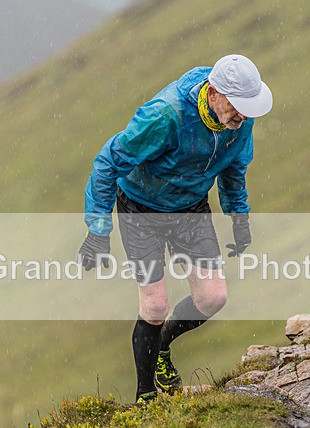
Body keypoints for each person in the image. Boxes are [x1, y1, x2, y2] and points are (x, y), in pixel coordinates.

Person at [78, 54, 273, 404]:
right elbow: (108, 162)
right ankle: (145, 397)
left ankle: (163, 347)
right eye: (236, 106)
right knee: (155, 305)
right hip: (141, 208)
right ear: (213, 94)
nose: (242, 115)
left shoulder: (240, 122)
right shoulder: (165, 115)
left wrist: (239, 219)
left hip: (190, 209)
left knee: (213, 298)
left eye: (248, 107)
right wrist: (97, 230)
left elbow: (233, 171)